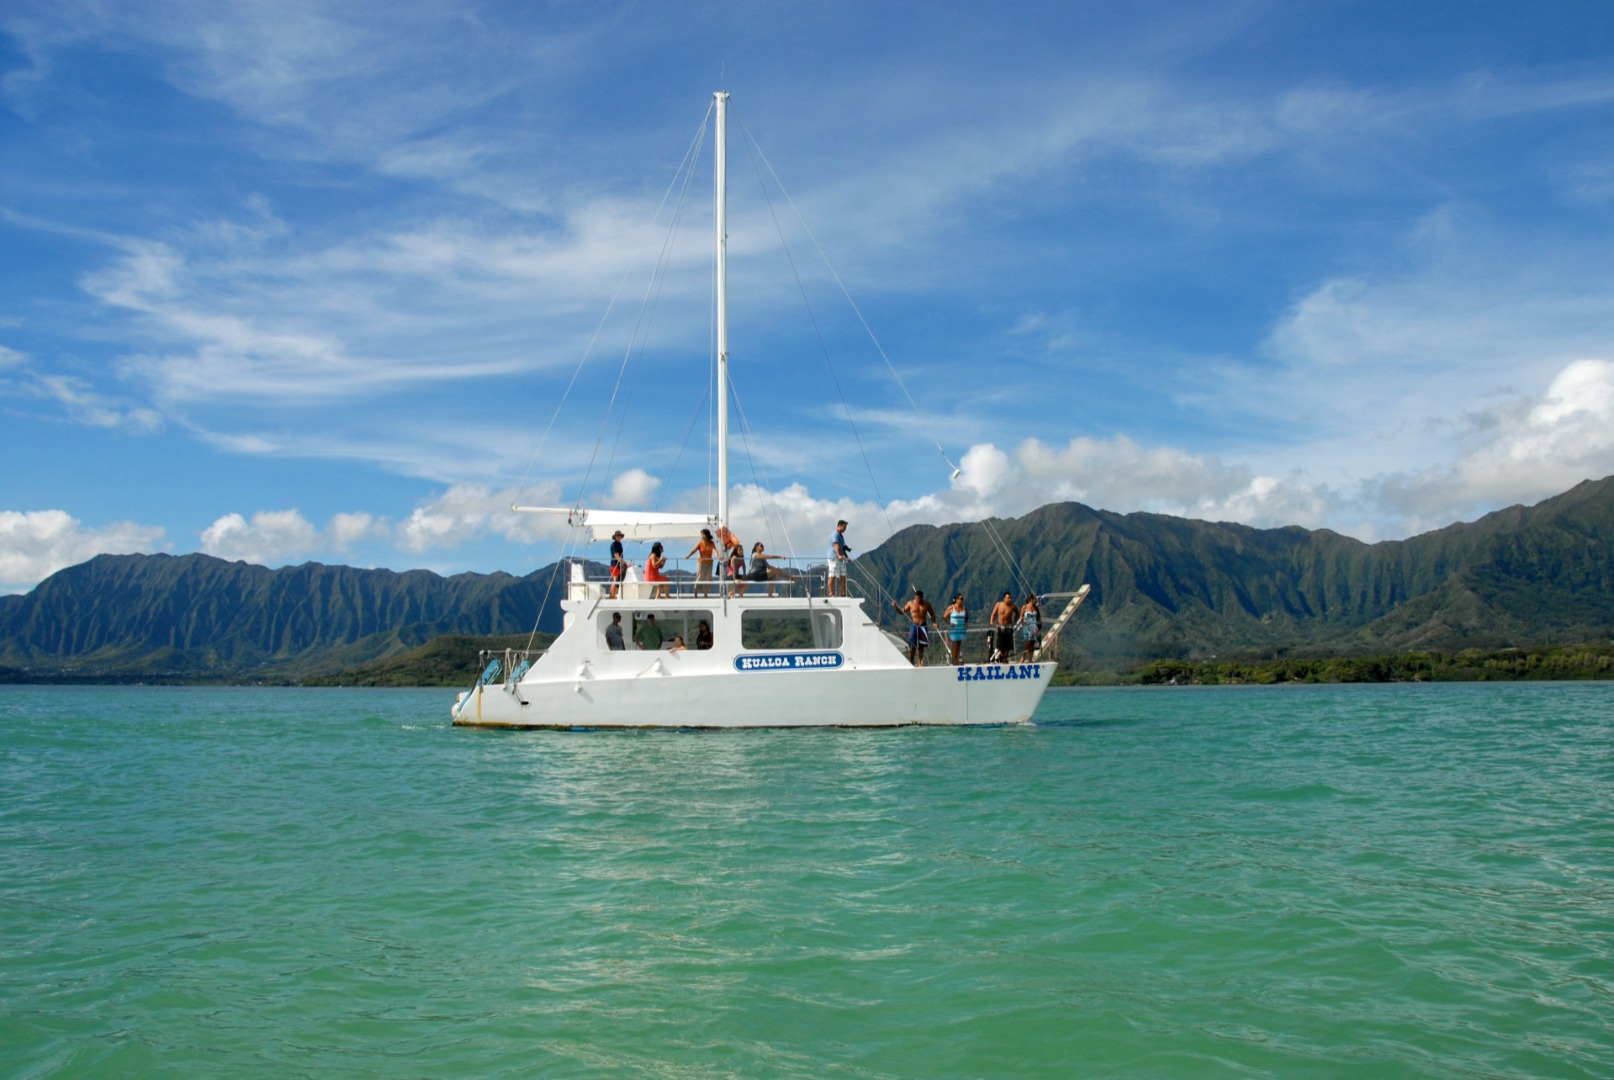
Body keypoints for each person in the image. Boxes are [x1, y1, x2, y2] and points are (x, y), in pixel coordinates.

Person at [893, 587, 938, 666]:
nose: (918, 600)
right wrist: (895, 607)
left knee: (922, 645)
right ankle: (911, 660)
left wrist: (934, 622)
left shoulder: (926, 604)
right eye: (917, 598)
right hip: (914, 625)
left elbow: (932, 614)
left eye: (920, 599)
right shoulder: (910, 603)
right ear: (915, 597)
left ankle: (920, 661)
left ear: (922, 597)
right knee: (912, 645)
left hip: (923, 625)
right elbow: (902, 612)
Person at [685, 528, 716, 598]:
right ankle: (695, 593)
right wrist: (688, 556)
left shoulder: (711, 543)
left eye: (703, 534)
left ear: (706, 535)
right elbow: (694, 550)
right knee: (700, 577)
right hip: (701, 562)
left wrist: (718, 556)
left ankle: (706, 594)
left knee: (708, 578)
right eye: (701, 535)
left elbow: (714, 550)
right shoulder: (700, 543)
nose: (701, 536)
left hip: (709, 562)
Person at [989, 590, 1018, 662]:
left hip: (1009, 627)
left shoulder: (1013, 606)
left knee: (1008, 646)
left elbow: (1017, 614)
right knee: (1000, 645)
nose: (1009, 599)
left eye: (1010, 598)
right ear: (1004, 598)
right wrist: (992, 622)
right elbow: (994, 613)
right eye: (1008, 598)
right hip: (1000, 627)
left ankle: (1005, 658)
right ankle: (1001, 657)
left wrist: (1015, 622)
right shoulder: (999, 604)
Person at [826, 519, 851, 597]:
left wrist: (847, 557)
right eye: (844, 527)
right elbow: (836, 545)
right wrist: (839, 555)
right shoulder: (835, 534)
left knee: (843, 575)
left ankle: (843, 593)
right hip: (833, 558)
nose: (845, 529)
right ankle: (831, 593)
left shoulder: (841, 535)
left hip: (840, 559)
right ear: (839, 526)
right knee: (832, 575)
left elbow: (842, 547)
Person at [943, 593, 969, 666]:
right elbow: (945, 616)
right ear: (957, 600)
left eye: (962, 599)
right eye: (960, 599)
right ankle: (954, 662)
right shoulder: (951, 608)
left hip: (961, 629)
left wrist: (966, 623)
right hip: (954, 629)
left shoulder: (964, 608)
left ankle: (956, 661)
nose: (962, 600)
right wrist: (949, 623)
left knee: (958, 646)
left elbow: (966, 617)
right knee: (954, 645)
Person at [1019, 593, 1042, 661]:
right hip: (1027, 626)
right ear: (1031, 599)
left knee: (1032, 642)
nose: (1036, 601)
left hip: (1034, 626)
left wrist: (1039, 623)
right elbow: (1021, 616)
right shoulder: (1024, 607)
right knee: (1027, 642)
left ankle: (1030, 659)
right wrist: (1023, 622)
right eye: (1035, 599)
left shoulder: (1036, 608)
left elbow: (1039, 617)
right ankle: (1023, 657)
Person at [608, 529, 626, 598]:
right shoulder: (614, 544)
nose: (619, 537)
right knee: (615, 580)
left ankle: (614, 595)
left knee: (617, 580)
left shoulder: (619, 544)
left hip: (618, 565)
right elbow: (616, 555)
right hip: (614, 565)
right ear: (615, 537)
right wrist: (625, 563)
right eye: (618, 536)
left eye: (620, 536)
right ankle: (612, 596)